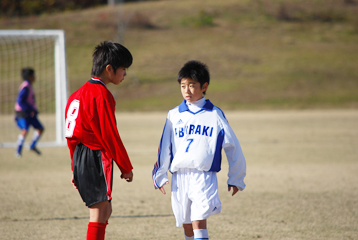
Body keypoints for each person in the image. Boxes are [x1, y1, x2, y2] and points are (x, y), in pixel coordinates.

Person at [152, 60, 246, 240]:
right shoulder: (174, 114)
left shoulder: (215, 114)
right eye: (183, 86)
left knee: (198, 221)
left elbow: (233, 146)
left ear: (204, 86)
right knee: (187, 225)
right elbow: (165, 147)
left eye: (192, 86)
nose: (187, 91)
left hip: (203, 175)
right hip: (180, 176)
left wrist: (236, 177)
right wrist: (160, 174)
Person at [65, 41, 134, 240]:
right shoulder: (101, 95)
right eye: (124, 69)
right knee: (98, 213)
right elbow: (110, 135)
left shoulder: (75, 95)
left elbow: (71, 137)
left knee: (105, 211)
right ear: (109, 69)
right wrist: (125, 166)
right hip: (94, 157)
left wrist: (74, 167)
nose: (125, 74)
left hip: (80, 156)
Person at [14, 68, 44, 157]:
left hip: (30, 113)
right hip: (23, 113)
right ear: (29, 76)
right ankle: (18, 150)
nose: (35, 77)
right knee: (25, 130)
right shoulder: (26, 87)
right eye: (33, 75)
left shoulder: (29, 85)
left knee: (40, 128)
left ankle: (32, 145)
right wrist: (30, 109)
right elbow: (20, 101)